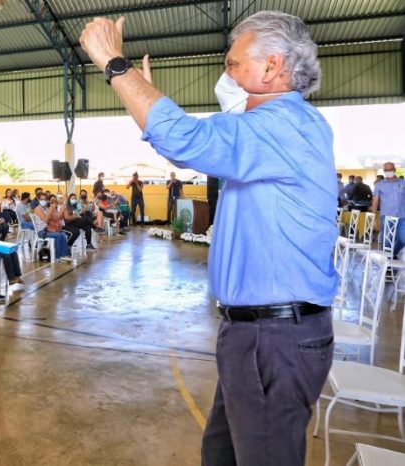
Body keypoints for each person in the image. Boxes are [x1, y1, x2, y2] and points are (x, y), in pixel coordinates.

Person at [81, 10, 336, 466]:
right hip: (257, 335)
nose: (228, 73)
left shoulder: (281, 127)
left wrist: (115, 67)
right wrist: (141, 96)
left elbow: (185, 139)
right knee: (220, 455)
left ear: (272, 67)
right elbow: (183, 143)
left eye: (234, 64)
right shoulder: (275, 130)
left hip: (272, 337)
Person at [371, 162, 405, 255]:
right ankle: (387, 265)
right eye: (386, 170)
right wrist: (373, 217)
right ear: (384, 171)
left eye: (390, 170)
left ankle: (393, 254)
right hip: (387, 217)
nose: (388, 172)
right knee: (387, 242)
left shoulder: (403, 183)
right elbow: (375, 201)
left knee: (403, 240)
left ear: (394, 170)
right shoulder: (379, 185)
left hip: (402, 216)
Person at [33, 192, 71, 262]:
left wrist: (61, 210)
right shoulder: (38, 209)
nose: (43, 201)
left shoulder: (46, 209)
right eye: (41, 199)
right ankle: (59, 256)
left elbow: (55, 218)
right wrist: (51, 209)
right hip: (41, 231)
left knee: (63, 234)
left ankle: (64, 254)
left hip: (47, 229)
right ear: (39, 200)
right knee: (59, 235)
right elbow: (45, 219)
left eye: (44, 199)